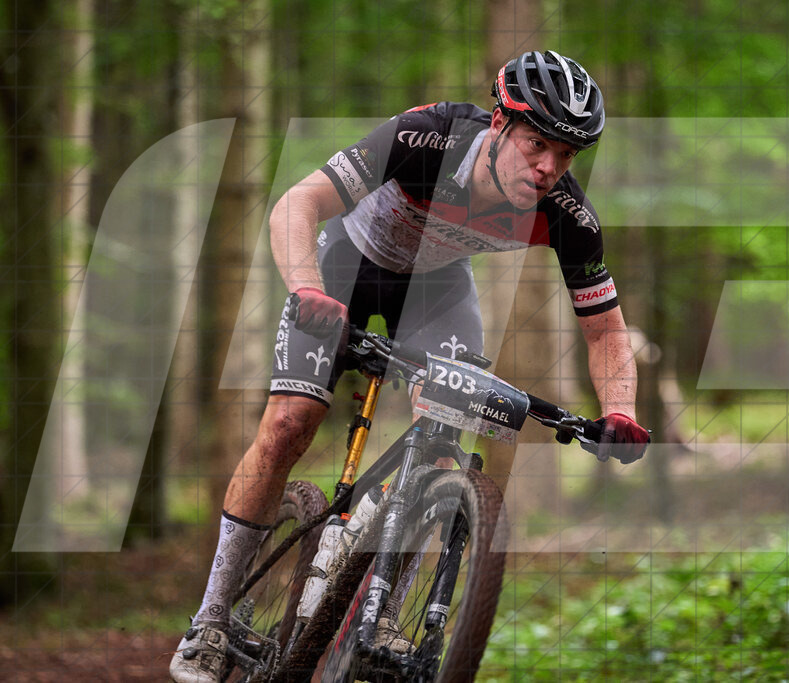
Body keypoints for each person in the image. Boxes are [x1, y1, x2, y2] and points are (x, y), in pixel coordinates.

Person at [170, 49, 650, 682]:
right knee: (291, 421)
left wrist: (621, 411)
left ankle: (382, 598)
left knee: (449, 437)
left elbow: (607, 331)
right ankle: (208, 621)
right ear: (500, 123)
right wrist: (306, 287)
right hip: (343, 268)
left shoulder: (566, 214)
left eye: (566, 155)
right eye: (538, 144)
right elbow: (298, 202)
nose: (549, 168)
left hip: (436, 290)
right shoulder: (427, 136)